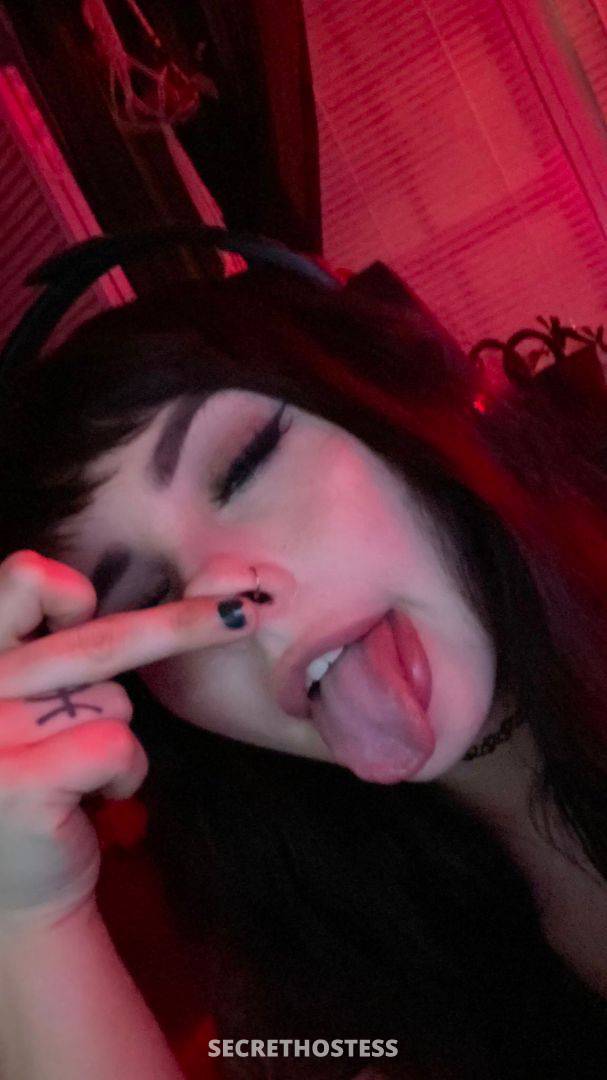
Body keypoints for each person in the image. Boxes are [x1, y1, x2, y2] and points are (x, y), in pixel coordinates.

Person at [1, 232, 607, 1079]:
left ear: (390, 413)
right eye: (146, 598)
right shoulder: (309, 976)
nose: (220, 591)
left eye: (245, 462)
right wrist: (31, 917)